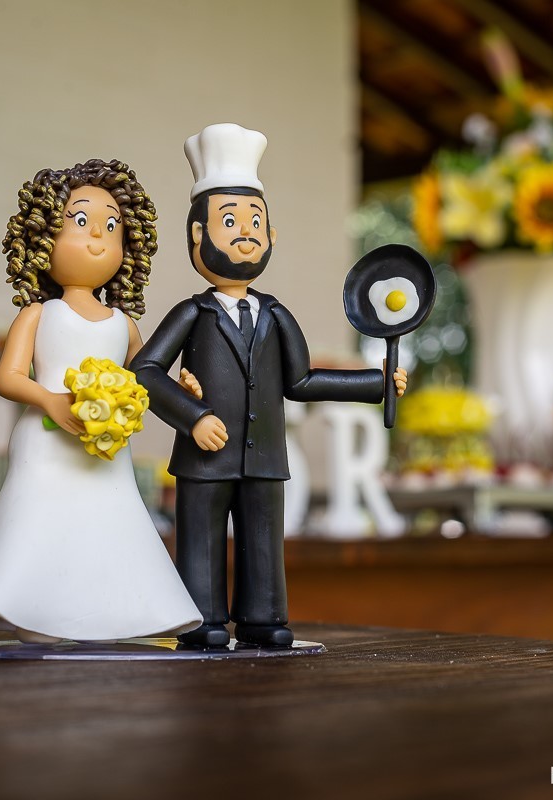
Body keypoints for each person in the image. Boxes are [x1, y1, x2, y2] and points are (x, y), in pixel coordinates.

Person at [131, 124, 408, 649]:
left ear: (272, 238)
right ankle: (202, 619)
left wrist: (377, 383)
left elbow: (300, 381)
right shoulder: (192, 313)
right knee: (201, 545)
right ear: (198, 237)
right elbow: (144, 371)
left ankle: (262, 617)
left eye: (256, 222)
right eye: (230, 220)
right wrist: (193, 417)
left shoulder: (276, 315)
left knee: (262, 543)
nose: (246, 232)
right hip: (204, 456)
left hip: (263, 458)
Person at [0, 159, 202, 644]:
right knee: (43, 519)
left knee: (106, 521)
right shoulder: (39, 314)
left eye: (111, 227)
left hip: (104, 446)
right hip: (45, 442)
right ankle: (35, 611)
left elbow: (146, 378)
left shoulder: (123, 324)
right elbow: (8, 377)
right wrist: (51, 401)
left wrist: (179, 388)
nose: (97, 239)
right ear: (42, 238)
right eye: (80, 223)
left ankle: (108, 615)